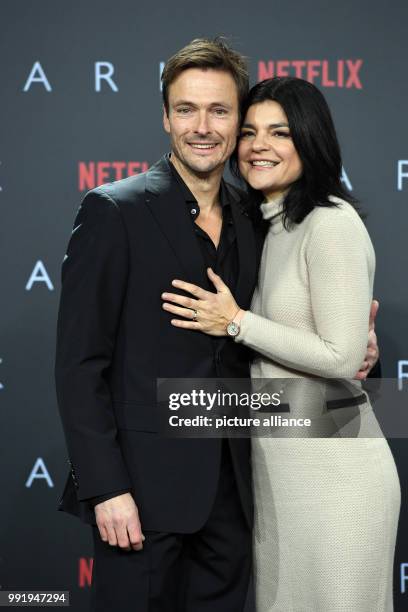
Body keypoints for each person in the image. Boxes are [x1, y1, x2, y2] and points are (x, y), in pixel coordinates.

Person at [55, 36, 379, 612]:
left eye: (220, 110)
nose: (202, 126)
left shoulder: (257, 219)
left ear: (234, 120)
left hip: (239, 496)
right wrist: (106, 489)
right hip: (143, 499)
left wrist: (353, 342)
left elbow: (297, 329)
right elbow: (80, 367)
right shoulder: (115, 210)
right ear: (165, 117)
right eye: (186, 109)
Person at [160, 77, 400, 611]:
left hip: (338, 479)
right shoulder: (261, 227)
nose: (258, 145)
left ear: (309, 141)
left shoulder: (329, 224)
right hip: (276, 480)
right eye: (248, 131)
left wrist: (237, 321)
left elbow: (339, 357)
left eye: (280, 132)